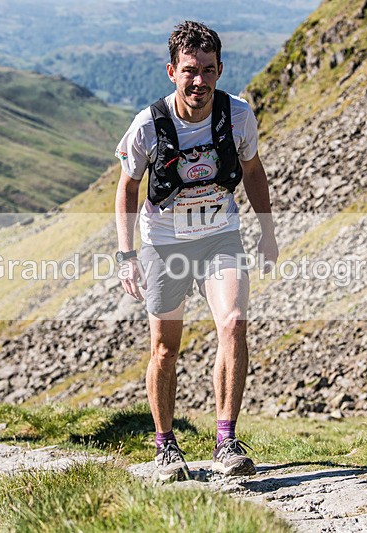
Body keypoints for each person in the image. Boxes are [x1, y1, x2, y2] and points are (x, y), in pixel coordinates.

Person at [114, 21, 278, 481]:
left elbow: (253, 171)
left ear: (220, 69)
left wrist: (267, 232)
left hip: (220, 236)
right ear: (172, 71)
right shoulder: (148, 125)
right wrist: (127, 255)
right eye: (190, 70)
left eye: (208, 70)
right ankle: (166, 446)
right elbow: (127, 189)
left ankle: (226, 441)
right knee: (165, 348)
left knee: (234, 323)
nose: (200, 81)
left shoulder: (238, 115)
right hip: (164, 244)